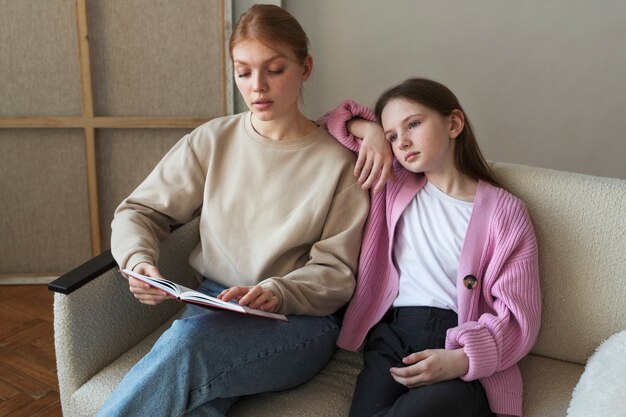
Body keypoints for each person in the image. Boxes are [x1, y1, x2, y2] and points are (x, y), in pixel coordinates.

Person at [95, 4, 369, 416]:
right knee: (199, 401)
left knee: (187, 346)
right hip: (212, 305)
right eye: (243, 72)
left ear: (305, 67)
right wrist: (138, 261)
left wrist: (277, 293)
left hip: (297, 323)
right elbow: (138, 211)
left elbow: (337, 274)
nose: (257, 86)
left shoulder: (340, 163)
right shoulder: (212, 140)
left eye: (274, 70)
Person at [321, 77, 541, 417]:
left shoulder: (504, 211)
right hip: (392, 339)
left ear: (453, 123)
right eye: (393, 136)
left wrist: (461, 359)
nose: (403, 142)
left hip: (458, 346)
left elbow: (517, 316)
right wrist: (375, 134)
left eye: (413, 124)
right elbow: (330, 123)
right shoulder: (391, 182)